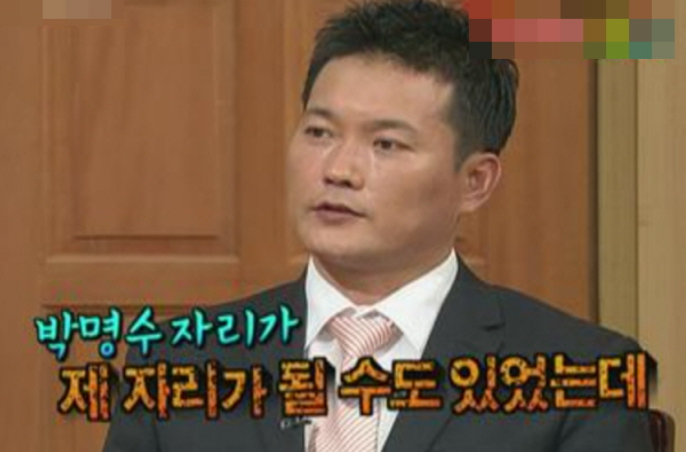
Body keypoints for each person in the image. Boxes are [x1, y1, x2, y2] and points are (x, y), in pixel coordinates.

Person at [103, 1, 655, 451]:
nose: (338, 170)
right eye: (319, 132)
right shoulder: (178, 360)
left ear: (475, 181)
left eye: (386, 144)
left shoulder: (584, 379)